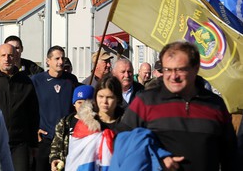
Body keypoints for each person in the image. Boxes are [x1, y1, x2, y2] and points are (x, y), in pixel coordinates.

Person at [117, 41, 237, 170]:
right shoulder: (145, 101)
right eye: (167, 69)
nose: (173, 76)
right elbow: (121, 141)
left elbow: (231, 157)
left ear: (196, 68)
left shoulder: (215, 105)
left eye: (180, 69)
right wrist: (155, 158)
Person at [0, 43, 39, 171]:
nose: (7, 59)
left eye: (10, 55)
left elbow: (33, 113)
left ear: (16, 57)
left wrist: (33, 144)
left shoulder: (26, 81)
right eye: (3, 55)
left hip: (19, 143)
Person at [31, 46, 79, 171]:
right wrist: (34, 129)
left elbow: (76, 106)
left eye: (62, 58)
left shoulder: (71, 80)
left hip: (66, 138)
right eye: (57, 58)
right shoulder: (37, 80)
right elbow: (29, 107)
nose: (61, 62)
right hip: (45, 138)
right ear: (48, 61)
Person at [49, 85, 95, 171]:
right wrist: (54, 159)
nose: (82, 106)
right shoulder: (65, 122)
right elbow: (56, 145)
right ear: (74, 104)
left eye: (86, 102)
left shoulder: (97, 123)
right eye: (79, 102)